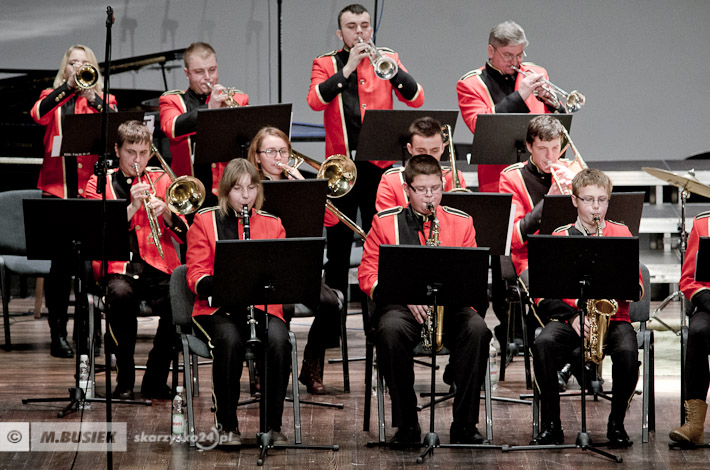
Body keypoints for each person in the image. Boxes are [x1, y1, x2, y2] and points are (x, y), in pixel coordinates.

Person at [358, 154, 491, 445]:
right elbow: (367, 274)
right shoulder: (385, 223)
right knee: (389, 331)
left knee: (478, 330)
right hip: (401, 307)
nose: (430, 196)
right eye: (421, 190)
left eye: (435, 189)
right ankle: (407, 425)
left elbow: (473, 277)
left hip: (450, 307)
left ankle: (465, 425)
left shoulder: (462, 222)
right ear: (407, 189)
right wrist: (403, 294)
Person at [307, 3, 425, 300]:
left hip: (379, 166)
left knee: (382, 240)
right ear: (340, 33)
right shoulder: (326, 63)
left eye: (364, 26)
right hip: (342, 169)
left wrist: (392, 71)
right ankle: (333, 317)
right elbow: (315, 101)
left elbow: (417, 98)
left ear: (371, 29)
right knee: (338, 247)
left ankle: (381, 311)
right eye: (352, 27)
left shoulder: (388, 58)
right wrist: (347, 69)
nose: (359, 32)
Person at [530, 168, 642, 447]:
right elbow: (544, 292)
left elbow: (637, 288)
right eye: (589, 200)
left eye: (602, 200)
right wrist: (574, 315)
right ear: (574, 200)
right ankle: (551, 425)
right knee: (543, 344)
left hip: (614, 318)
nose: (596, 208)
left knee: (628, 353)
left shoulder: (621, 233)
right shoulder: (560, 237)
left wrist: (617, 284)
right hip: (570, 319)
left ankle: (616, 424)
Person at [187, 158, 290, 445]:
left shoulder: (272, 223)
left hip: (260, 307)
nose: (246, 196)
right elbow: (195, 274)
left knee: (279, 341)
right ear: (225, 191)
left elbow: (282, 273)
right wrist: (224, 282)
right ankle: (227, 426)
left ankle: (272, 427)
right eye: (237, 189)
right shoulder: (205, 220)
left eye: (251, 188)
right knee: (230, 341)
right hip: (217, 309)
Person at [84, 120, 187, 399]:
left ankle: (155, 378)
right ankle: (125, 379)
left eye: (143, 153)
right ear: (117, 150)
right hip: (118, 268)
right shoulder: (99, 183)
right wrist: (131, 208)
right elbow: (96, 235)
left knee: (178, 302)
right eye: (131, 152)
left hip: (157, 265)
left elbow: (185, 235)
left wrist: (167, 214)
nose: (137, 160)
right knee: (121, 296)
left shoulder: (162, 180)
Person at [30, 44, 118, 358]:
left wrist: (93, 98)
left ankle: (88, 334)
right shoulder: (51, 96)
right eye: (73, 63)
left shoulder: (104, 100)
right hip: (58, 190)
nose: (78, 68)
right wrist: (68, 88)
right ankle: (58, 334)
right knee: (59, 267)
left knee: (89, 267)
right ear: (65, 68)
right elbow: (38, 115)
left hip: (90, 192)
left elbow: (118, 128)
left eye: (84, 63)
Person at [247, 126, 344, 395]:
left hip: (300, 267)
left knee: (330, 303)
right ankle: (267, 368)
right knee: (283, 307)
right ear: (257, 157)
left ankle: (311, 366)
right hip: (265, 269)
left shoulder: (301, 181)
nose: (278, 157)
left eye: (283, 151)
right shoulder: (249, 186)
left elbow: (332, 220)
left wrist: (304, 187)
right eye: (270, 152)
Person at [456, 20, 559, 193]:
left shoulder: (536, 73)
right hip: (497, 179)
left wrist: (550, 101)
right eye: (508, 55)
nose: (515, 61)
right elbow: (479, 125)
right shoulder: (470, 84)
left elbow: (557, 122)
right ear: (491, 51)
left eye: (519, 55)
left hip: (541, 173)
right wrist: (520, 95)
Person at [159, 42, 248, 206]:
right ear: (187, 73)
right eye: (199, 72)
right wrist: (210, 108)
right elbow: (171, 128)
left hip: (228, 189)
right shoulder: (172, 100)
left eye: (212, 70)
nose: (208, 77)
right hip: (190, 193)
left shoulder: (238, 98)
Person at [670, 211, 710, 445]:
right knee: (697, 331)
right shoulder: (703, 223)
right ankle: (694, 424)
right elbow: (688, 280)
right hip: (708, 305)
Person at [375, 116, 467, 213]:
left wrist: (440, 194)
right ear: (410, 149)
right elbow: (387, 220)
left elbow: (460, 218)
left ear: (442, 149)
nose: (428, 156)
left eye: (434, 150)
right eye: (421, 151)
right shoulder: (391, 180)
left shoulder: (452, 177)